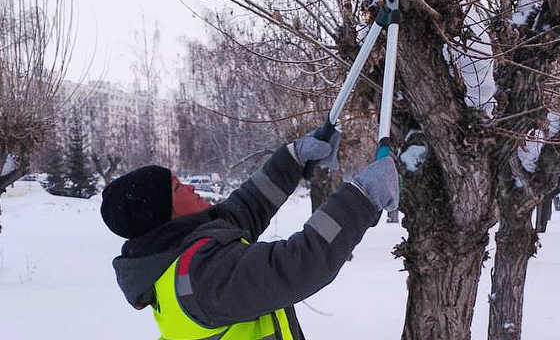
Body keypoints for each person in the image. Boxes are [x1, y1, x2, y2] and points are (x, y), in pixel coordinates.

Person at [101, 130, 399, 340]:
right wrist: (361, 198)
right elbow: (298, 264)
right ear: (163, 215)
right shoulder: (199, 276)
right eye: (178, 187)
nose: (191, 188)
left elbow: (247, 207)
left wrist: (294, 158)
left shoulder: (175, 255)